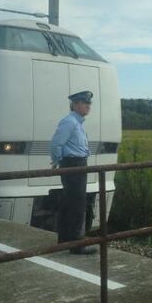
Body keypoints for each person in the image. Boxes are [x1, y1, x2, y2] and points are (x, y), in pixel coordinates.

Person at [51, 90, 97, 255]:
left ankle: (64, 241)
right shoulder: (70, 122)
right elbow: (56, 143)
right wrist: (58, 161)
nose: (88, 106)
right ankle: (76, 244)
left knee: (70, 203)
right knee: (77, 205)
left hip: (78, 164)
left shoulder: (77, 123)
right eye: (85, 103)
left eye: (89, 103)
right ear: (76, 105)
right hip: (73, 164)